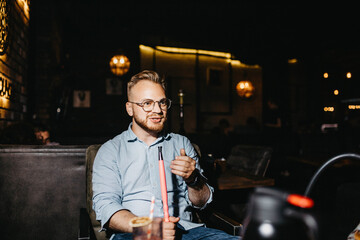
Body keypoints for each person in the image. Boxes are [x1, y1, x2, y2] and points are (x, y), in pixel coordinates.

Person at [92, 70, 240, 240]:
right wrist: (149, 228)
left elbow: (202, 202)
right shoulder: (110, 150)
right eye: (147, 103)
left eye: (162, 102)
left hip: (188, 232)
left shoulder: (182, 144)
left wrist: (193, 180)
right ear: (130, 108)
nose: (158, 110)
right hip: (136, 233)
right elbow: (106, 208)